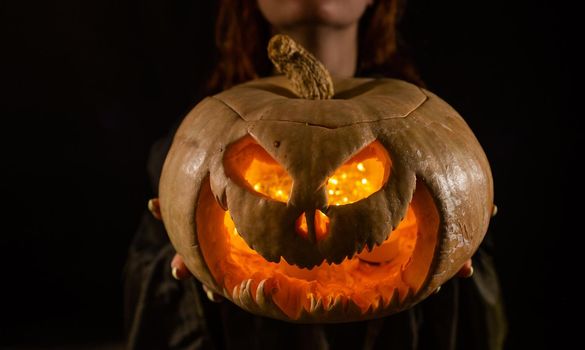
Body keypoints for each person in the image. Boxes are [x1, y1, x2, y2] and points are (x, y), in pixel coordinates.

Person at [124, 1, 506, 349]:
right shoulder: (191, 145)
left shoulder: (436, 135)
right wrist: (185, 250)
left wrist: (460, 231)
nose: (314, 226)